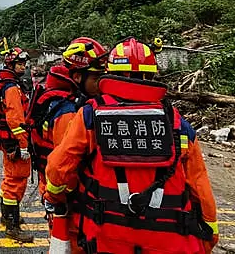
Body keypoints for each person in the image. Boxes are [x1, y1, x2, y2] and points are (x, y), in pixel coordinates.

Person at [44, 37, 218, 254]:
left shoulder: (90, 115)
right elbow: (200, 187)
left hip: (104, 238)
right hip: (168, 242)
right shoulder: (176, 123)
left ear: (111, 74)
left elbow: (58, 170)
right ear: (152, 75)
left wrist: (55, 198)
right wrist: (209, 233)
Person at [27, 37, 108, 253]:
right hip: (66, 198)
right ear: (78, 76)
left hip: (54, 189)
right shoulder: (68, 112)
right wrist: (62, 196)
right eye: (96, 77)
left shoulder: (54, 98)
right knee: (71, 245)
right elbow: (64, 166)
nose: (101, 84)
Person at [0, 47, 33, 242]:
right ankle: (12, 226)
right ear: (11, 65)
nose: (23, 67)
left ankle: (7, 216)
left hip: (6, 141)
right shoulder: (11, 88)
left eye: (24, 63)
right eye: (20, 63)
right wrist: (24, 145)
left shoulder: (3, 83)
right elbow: (16, 120)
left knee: (9, 179)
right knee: (16, 181)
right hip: (15, 142)